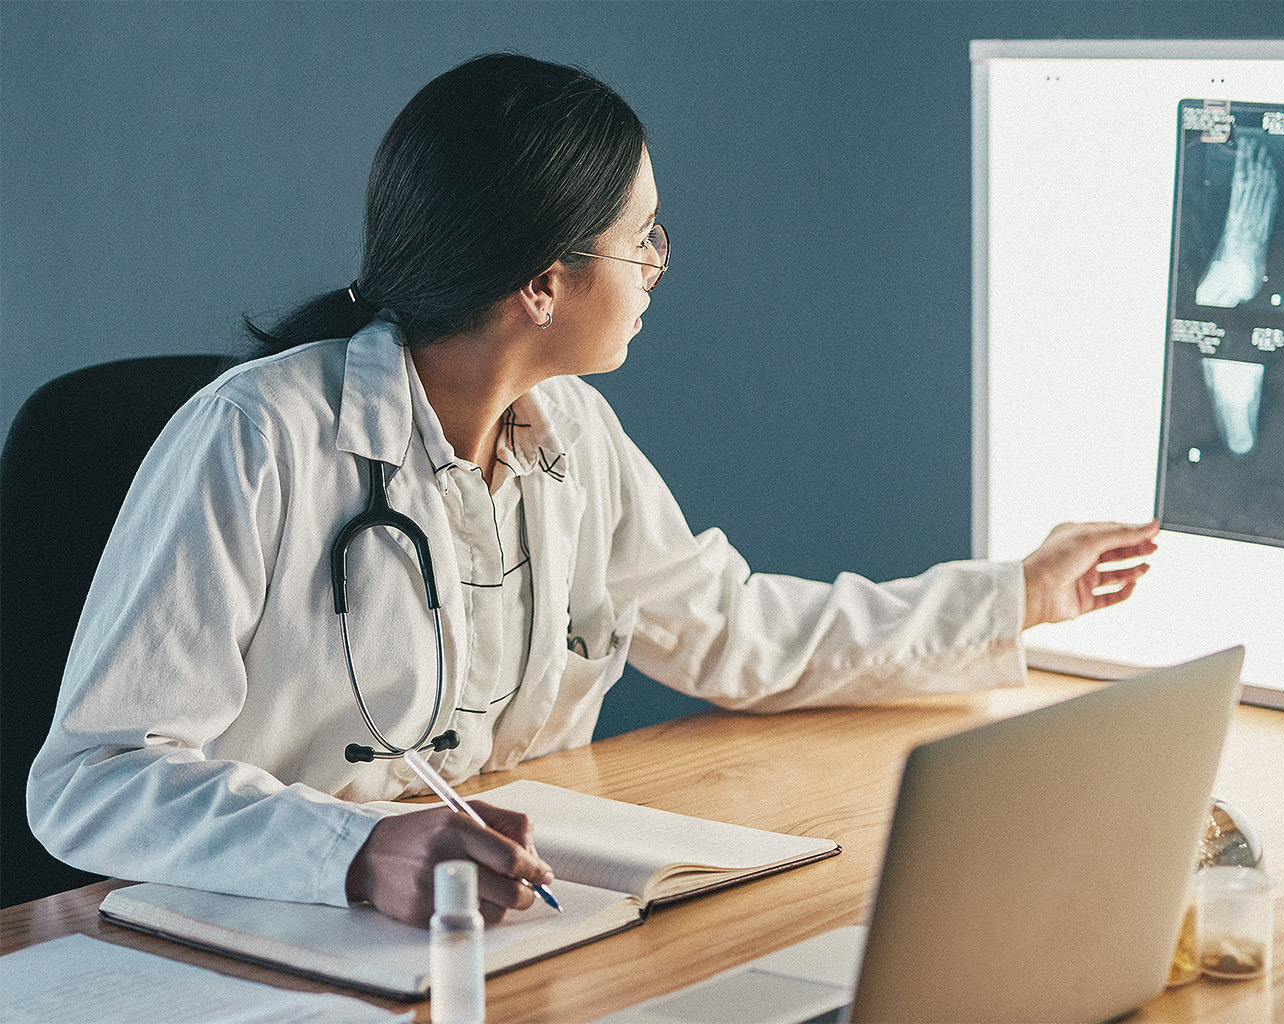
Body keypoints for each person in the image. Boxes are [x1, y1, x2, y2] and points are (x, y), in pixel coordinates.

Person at [28, 53, 1159, 928]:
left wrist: (1017, 596)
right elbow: (95, 781)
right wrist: (353, 854)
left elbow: (736, 632)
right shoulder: (256, 437)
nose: (661, 262)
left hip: (486, 922)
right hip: (262, 941)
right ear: (542, 280)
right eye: (640, 237)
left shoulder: (569, 434)